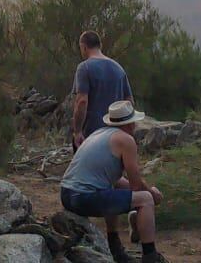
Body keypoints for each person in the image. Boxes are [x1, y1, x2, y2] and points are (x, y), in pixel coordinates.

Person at [59, 100, 167, 263]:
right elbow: (136, 185)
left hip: (67, 194)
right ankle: (150, 256)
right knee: (145, 200)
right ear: (130, 124)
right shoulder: (126, 140)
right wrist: (152, 194)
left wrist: (136, 194)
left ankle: (115, 248)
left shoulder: (98, 134)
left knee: (111, 189)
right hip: (84, 197)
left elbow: (117, 181)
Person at [71, 30, 132, 150]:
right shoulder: (119, 69)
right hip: (116, 136)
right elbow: (129, 101)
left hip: (91, 136)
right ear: (100, 46)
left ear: (83, 47)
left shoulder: (84, 68)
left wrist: (77, 131)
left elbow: (81, 101)